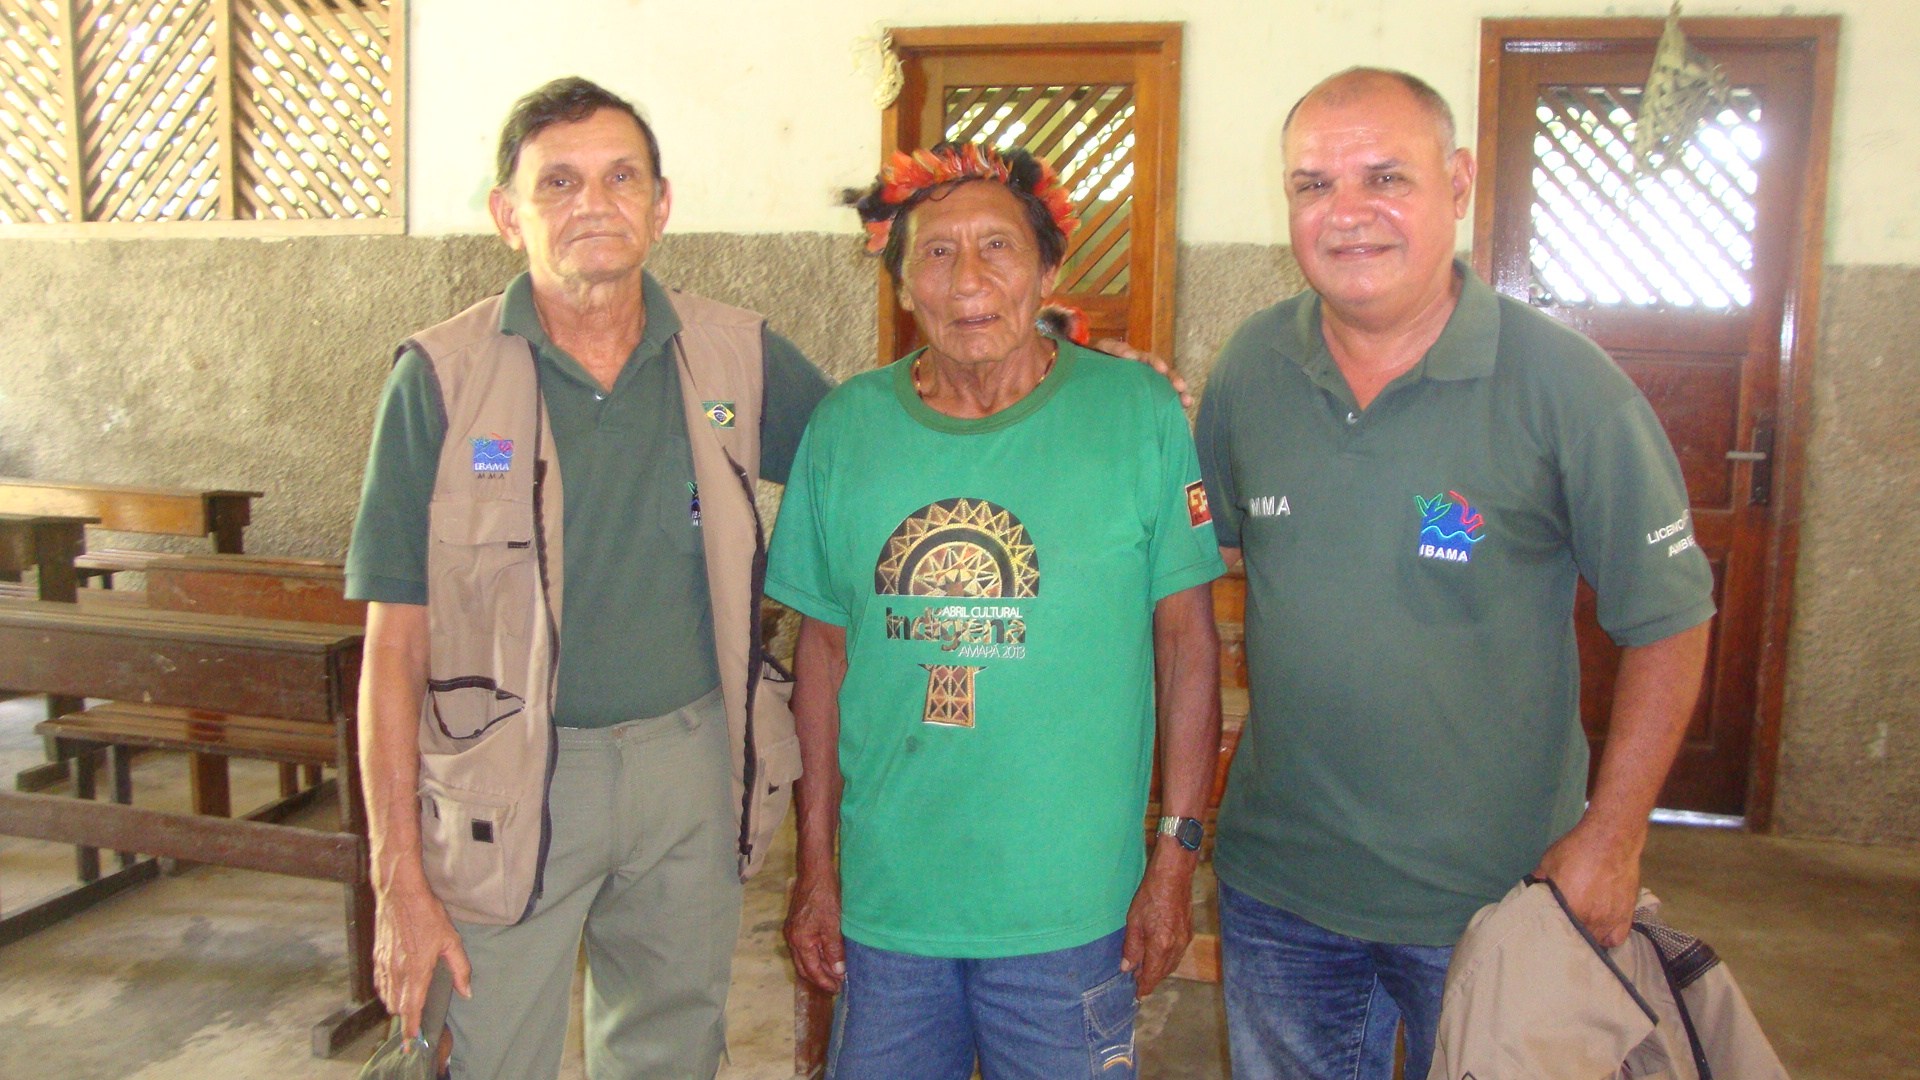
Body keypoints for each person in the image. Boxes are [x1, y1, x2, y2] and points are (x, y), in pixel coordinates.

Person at [1192, 68, 1717, 1080]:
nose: (1347, 213)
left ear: (1460, 183)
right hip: (1281, 891)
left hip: (1499, 897)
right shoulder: (1252, 368)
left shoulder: (1568, 389)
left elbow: (1670, 620)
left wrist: (1614, 837)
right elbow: (1198, 553)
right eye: (1313, 185)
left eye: (1386, 177)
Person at [344, 76, 832, 1080]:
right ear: (506, 215)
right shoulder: (440, 380)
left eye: (621, 178)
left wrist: (1065, 380)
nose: (594, 204)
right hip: (506, 778)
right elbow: (394, 648)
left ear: (661, 204)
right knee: (476, 1054)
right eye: (558, 183)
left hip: (692, 770)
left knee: (670, 1052)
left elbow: (883, 449)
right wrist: (398, 879)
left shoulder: (736, 357)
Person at [769, 142, 1225, 1080]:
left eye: (998, 247)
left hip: (1072, 915)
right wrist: (816, 867)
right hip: (891, 910)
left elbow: (1186, 645)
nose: (968, 279)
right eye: (936, 253)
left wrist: (1175, 858)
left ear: (1048, 271)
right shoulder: (846, 429)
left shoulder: (1136, 413)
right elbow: (823, 656)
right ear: (903, 284)